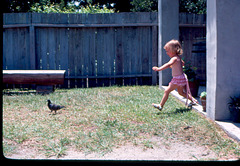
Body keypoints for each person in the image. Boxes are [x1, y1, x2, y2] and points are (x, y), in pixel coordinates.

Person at [152, 39, 198, 111]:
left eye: (168, 51)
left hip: (177, 79)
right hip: (181, 78)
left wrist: (159, 69)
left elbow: (168, 64)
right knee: (181, 92)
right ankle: (194, 100)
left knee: (167, 91)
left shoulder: (174, 58)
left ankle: (160, 105)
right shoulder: (178, 58)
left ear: (174, 50)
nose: (167, 53)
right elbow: (182, 63)